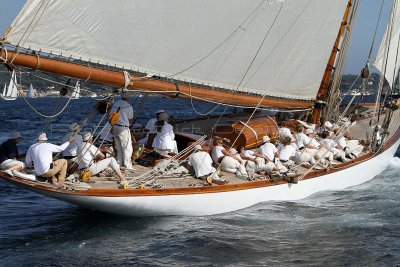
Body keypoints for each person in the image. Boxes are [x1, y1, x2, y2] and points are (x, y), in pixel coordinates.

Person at [110, 91, 134, 170]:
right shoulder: (128, 106)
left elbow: (110, 115)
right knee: (127, 147)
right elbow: (130, 120)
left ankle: (119, 163)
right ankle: (127, 166)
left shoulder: (116, 104)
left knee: (119, 147)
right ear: (128, 97)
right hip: (123, 128)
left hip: (115, 127)